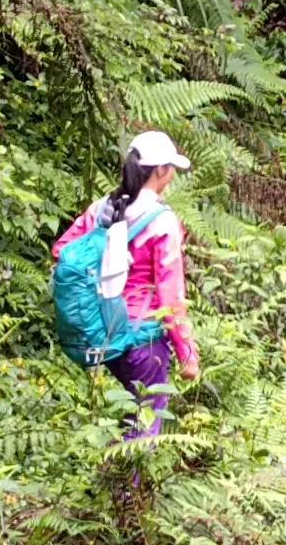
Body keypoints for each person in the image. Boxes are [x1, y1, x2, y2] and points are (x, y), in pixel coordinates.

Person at [56, 130, 200, 438]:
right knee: (145, 423)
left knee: (132, 418)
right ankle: (125, 487)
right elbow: (171, 296)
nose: (173, 174)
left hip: (107, 336)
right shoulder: (162, 222)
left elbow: (62, 251)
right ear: (160, 171)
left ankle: (116, 480)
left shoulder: (102, 209)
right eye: (171, 168)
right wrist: (188, 354)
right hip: (143, 338)